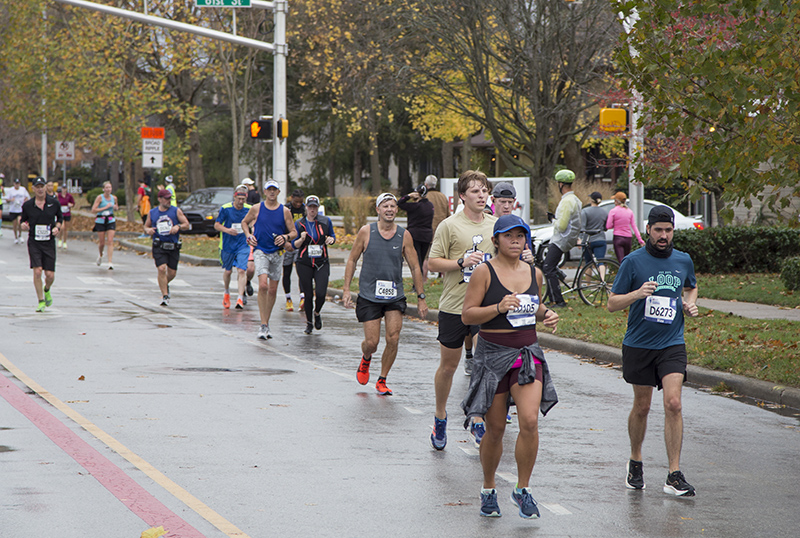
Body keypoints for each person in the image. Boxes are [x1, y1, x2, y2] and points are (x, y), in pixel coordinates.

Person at [461, 215, 559, 519]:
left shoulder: (534, 272)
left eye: (521, 236)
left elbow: (534, 305)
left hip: (527, 353)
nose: (516, 241)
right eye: (509, 236)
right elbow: (467, 316)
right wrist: (497, 308)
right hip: (492, 355)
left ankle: (522, 488)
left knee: (529, 421)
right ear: (496, 240)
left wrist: (546, 314)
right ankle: (488, 488)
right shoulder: (484, 273)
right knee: (496, 429)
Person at [607, 205, 698, 497]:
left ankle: (674, 473)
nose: (663, 235)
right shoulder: (633, 262)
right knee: (643, 406)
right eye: (658, 230)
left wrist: (689, 302)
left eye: (668, 230)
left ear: (673, 231)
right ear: (648, 230)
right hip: (639, 344)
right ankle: (636, 460)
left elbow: (690, 287)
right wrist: (637, 294)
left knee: (674, 403)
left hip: (672, 342)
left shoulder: (683, 260)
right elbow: (612, 303)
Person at [428, 170, 497, 450]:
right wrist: (461, 261)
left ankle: (477, 416)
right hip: (454, 306)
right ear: (462, 196)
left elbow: (507, 257)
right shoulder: (449, 225)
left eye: (484, 191)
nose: (482, 196)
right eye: (475, 191)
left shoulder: (497, 225)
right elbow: (432, 263)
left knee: (483, 363)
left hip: (485, 307)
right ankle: (440, 416)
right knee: (449, 367)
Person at [343, 193, 428, 395]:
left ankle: (382, 379)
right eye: (385, 206)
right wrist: (346, 289)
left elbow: (415, 267)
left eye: (392, 206)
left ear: (396, 210)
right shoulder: (366, 232)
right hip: (369, 294)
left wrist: (421, 297)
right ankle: (366, 358)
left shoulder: (404, 235)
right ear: (378, 210)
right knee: (372, 342)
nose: (389, 209)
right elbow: (352, 260)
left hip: (394, 295)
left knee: (393, 337)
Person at [242, 179, 297, 340]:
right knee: (263, 285)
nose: (272, 192)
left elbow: (293, 231)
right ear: (264, 192)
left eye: (275, 190)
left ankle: (267, 323)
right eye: (269, 189)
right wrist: (248, 235)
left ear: (279, 192)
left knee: (273, 289)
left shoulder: (284, 211)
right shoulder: (256, 208)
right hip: (260, 251)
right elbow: (244, 223)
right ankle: (263, 324)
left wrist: (285, 237)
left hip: (277, 254)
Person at [291, 195, 336, 334]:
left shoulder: (325, 221)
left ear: (318, 208)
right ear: (306, 208)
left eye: (314, 207)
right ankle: (309, 323)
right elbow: (294, 245)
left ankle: (317, 312)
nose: (312, 210)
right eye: (310, 207)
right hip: (304, 262)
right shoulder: (299, 224)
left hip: (321, 262)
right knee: (308, 295)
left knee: (321, 293)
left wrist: (330, 239)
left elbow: (333, 237)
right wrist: (302, 239)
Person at [19, 177, 63, 312]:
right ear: (33, 189)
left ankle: (47, 289)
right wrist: (23, 226)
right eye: (37, 187)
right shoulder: (28, 205)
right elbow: (22, 221)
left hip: (48, 242)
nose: (39, 189)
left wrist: (57, 228)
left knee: (50, 275)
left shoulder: (54, 203)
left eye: (41, 186)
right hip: (34, 242)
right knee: (37, 271)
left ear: (45, 188)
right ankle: (41, 301)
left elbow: (60, 219)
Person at [542, 169, 582, 307]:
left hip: (561, 239)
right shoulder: (575, 199)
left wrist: (552, 219)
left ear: (560, 184)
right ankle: (555, 292)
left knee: (547, 267)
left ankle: (558, 301)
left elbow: (562, 226)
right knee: (549, 266)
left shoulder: (566, 201)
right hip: (568, 239)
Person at [144, 189, 190, 306]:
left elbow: (187, 224)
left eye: (170, 198)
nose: (168, 201)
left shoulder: (176, 211)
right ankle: (165, 296)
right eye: (166, 198)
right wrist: (148, 230)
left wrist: (178, 227)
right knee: (161, 269)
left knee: (172, 273)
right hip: (159, 245)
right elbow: (146, 226)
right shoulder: (153, 213)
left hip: (173, 245)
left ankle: (165, 284)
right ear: (160, 199)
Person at [214, 186, 252, 310]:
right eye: (239, 199)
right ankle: (226, 292)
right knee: (228, 271)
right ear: (234, 197)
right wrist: (227, 230)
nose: (241, 202)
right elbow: (217, 225)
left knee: (241, 270)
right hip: (228, 244)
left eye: (243, 199)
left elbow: (254, 221)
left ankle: (240, 298)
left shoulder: (249, 209)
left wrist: (251, 229)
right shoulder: (226, 208)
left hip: (243, 244)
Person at [397, 186, 434, 278]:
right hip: (427, 236)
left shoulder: (415, 206)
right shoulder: (430, 206)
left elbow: (399, 203)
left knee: (416, 261)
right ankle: (419, 281)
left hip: (415, 235)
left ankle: (417, 284)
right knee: (420, 260)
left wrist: (408, 196)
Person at [282, 189, 306, 312]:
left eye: (300, 202)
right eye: (296, 202)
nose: (298, 204)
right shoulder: (286, 209)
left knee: (301, 270)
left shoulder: (305, 209)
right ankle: (288, 298)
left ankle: (302, 297)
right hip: (287, 244)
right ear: (291, 198)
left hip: (301, 244)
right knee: (287, 271)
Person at [606, 191, 645, 262]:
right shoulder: (629, 212)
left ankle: (623, 273)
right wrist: (640, 240)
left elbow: (608, 226)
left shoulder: (613, 211)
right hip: (628, 238)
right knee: (626, 260)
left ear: (617, 201)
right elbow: (634, 226)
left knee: (621, 261)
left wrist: (615, 224)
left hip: (618, 237)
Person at [91, 181, 119, 269]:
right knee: (102, 242)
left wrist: (115, 208)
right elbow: (93, 210)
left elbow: (116, 207)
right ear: (103, 189)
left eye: (109, 188)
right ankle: (100, 254)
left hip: (110, 219)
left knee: (110, 241)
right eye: (106, 188)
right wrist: (105, 208)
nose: (108, 189)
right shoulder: (100, 198)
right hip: (100, 220)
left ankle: (110, 262)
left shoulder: (114, 198)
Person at [580, 191, 609, 276]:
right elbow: (605, 227)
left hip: (588, 240)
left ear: (591, 200)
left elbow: (582, 227)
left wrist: (580, 238)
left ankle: (588, 283)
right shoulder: (604, 212)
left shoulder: (585, 211)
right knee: (601, 261)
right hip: (600, 239)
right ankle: (602, 281)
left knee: (588, 263)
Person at [6, 178, 30, 244]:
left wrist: (25, 200)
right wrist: (11, 200)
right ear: (14, 184)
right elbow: (7, 199)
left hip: (20, 209)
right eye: (16, 184)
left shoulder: (23, 189)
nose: (17, 185)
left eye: (18, 184)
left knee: (20, 222)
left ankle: (20, 235)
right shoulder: (11, 190)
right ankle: (15, 237)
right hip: (13, 209)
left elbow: (27, 197)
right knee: (14, 224)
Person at [56, 185, 75, 249]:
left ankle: (65, 242)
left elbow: (73, 203)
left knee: (65, 229)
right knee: (62, 227)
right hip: (61, 213)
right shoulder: (58, 195)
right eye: (63, 188)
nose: (64, 190)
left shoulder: (69, 196)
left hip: (67, 213)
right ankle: (60, 239)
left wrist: (71, 205)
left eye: (65, 188)